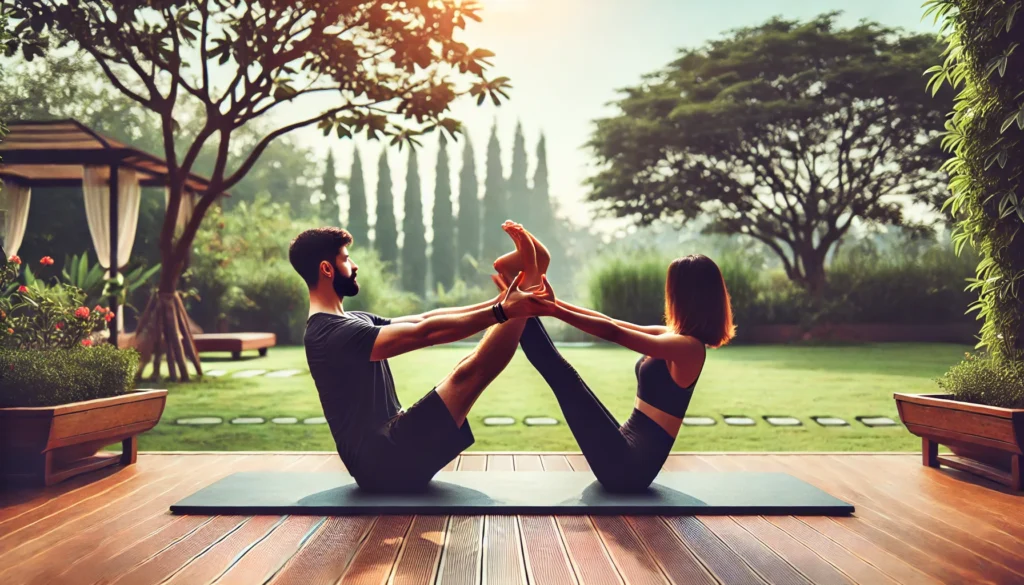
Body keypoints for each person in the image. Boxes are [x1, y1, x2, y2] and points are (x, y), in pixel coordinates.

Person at [289, 224, 551, 492]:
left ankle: (526, 286)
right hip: (381, 464)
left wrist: (499, 303)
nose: (354, 266)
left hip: (388, 450)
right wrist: (502, 311)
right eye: (346, 259)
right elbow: (424, 333)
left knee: (462, 371)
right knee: (467, 376)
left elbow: (426, 318)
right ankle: (528, 282)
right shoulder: (330, 334)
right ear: (326, 269)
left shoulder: (353, 320)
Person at [493, 224, 735, 492]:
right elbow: (608, 320)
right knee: (565, 377)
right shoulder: (672, 336)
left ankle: (520, 289)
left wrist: (552, 311)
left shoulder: (689, 349)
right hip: (624, 449)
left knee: (563, 376)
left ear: (689, 298)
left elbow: (614, 332)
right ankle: (522, 288)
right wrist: (555, 304)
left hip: (628, 470)